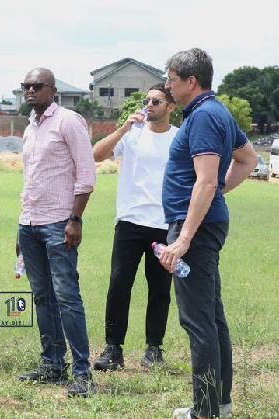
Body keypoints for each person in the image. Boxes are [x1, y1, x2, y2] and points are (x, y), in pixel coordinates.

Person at [160, 48, 257, 419]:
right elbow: (248, 159)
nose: (166, 85)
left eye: (170, 78)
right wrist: (216, 193)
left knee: (198, 321)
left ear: (190, 81)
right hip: (206, 224)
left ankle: (205, 411)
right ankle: (220, 403)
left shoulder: (202, 117)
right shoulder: (219, 112)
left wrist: (183, 238)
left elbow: (205, 181)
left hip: (196, 231)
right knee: (211, 317)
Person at [16, 67, 97, 398]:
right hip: (31, 225)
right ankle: (52, 364)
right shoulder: (29, 128)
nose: (31, 90)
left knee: (66, 296)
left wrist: (75, 219)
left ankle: (82, 372)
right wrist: (22, 225)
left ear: (52, 90)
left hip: (59, 224)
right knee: (42, 296)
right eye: (26, 86)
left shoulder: (68, 121)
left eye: (38, 85)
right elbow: (30, 181)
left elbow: (86, 174)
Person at [91, 84, 179, 372]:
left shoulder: (179, 137)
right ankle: (113, 348)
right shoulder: (132, 134)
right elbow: (96, 154)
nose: (149, 104)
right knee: (119, 284)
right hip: (130, 221)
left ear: (171, 107)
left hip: (164, 225)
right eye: (147, 100)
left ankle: (154, 348)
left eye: (156, 100)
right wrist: (123, 128)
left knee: (160, 289)